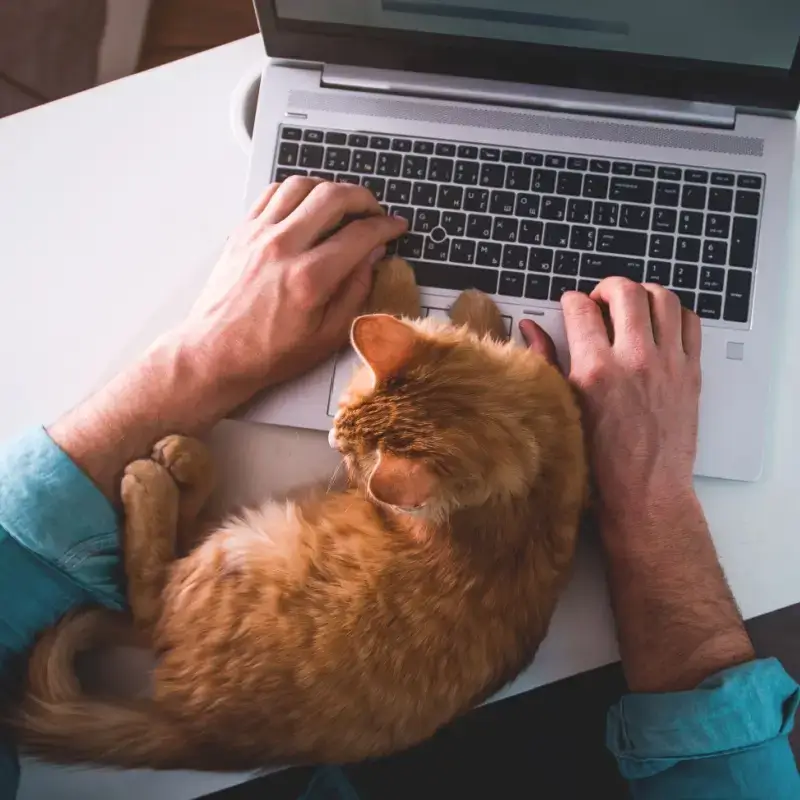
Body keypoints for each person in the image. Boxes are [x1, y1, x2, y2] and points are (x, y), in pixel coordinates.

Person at [0, 177, 797, 799]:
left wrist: (199, 364)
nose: (352, 468)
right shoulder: (509, 459)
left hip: (334, 698)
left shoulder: (440, 492)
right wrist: (651, 499)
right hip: (390, 717)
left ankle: (151, 596)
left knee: (247, 571)